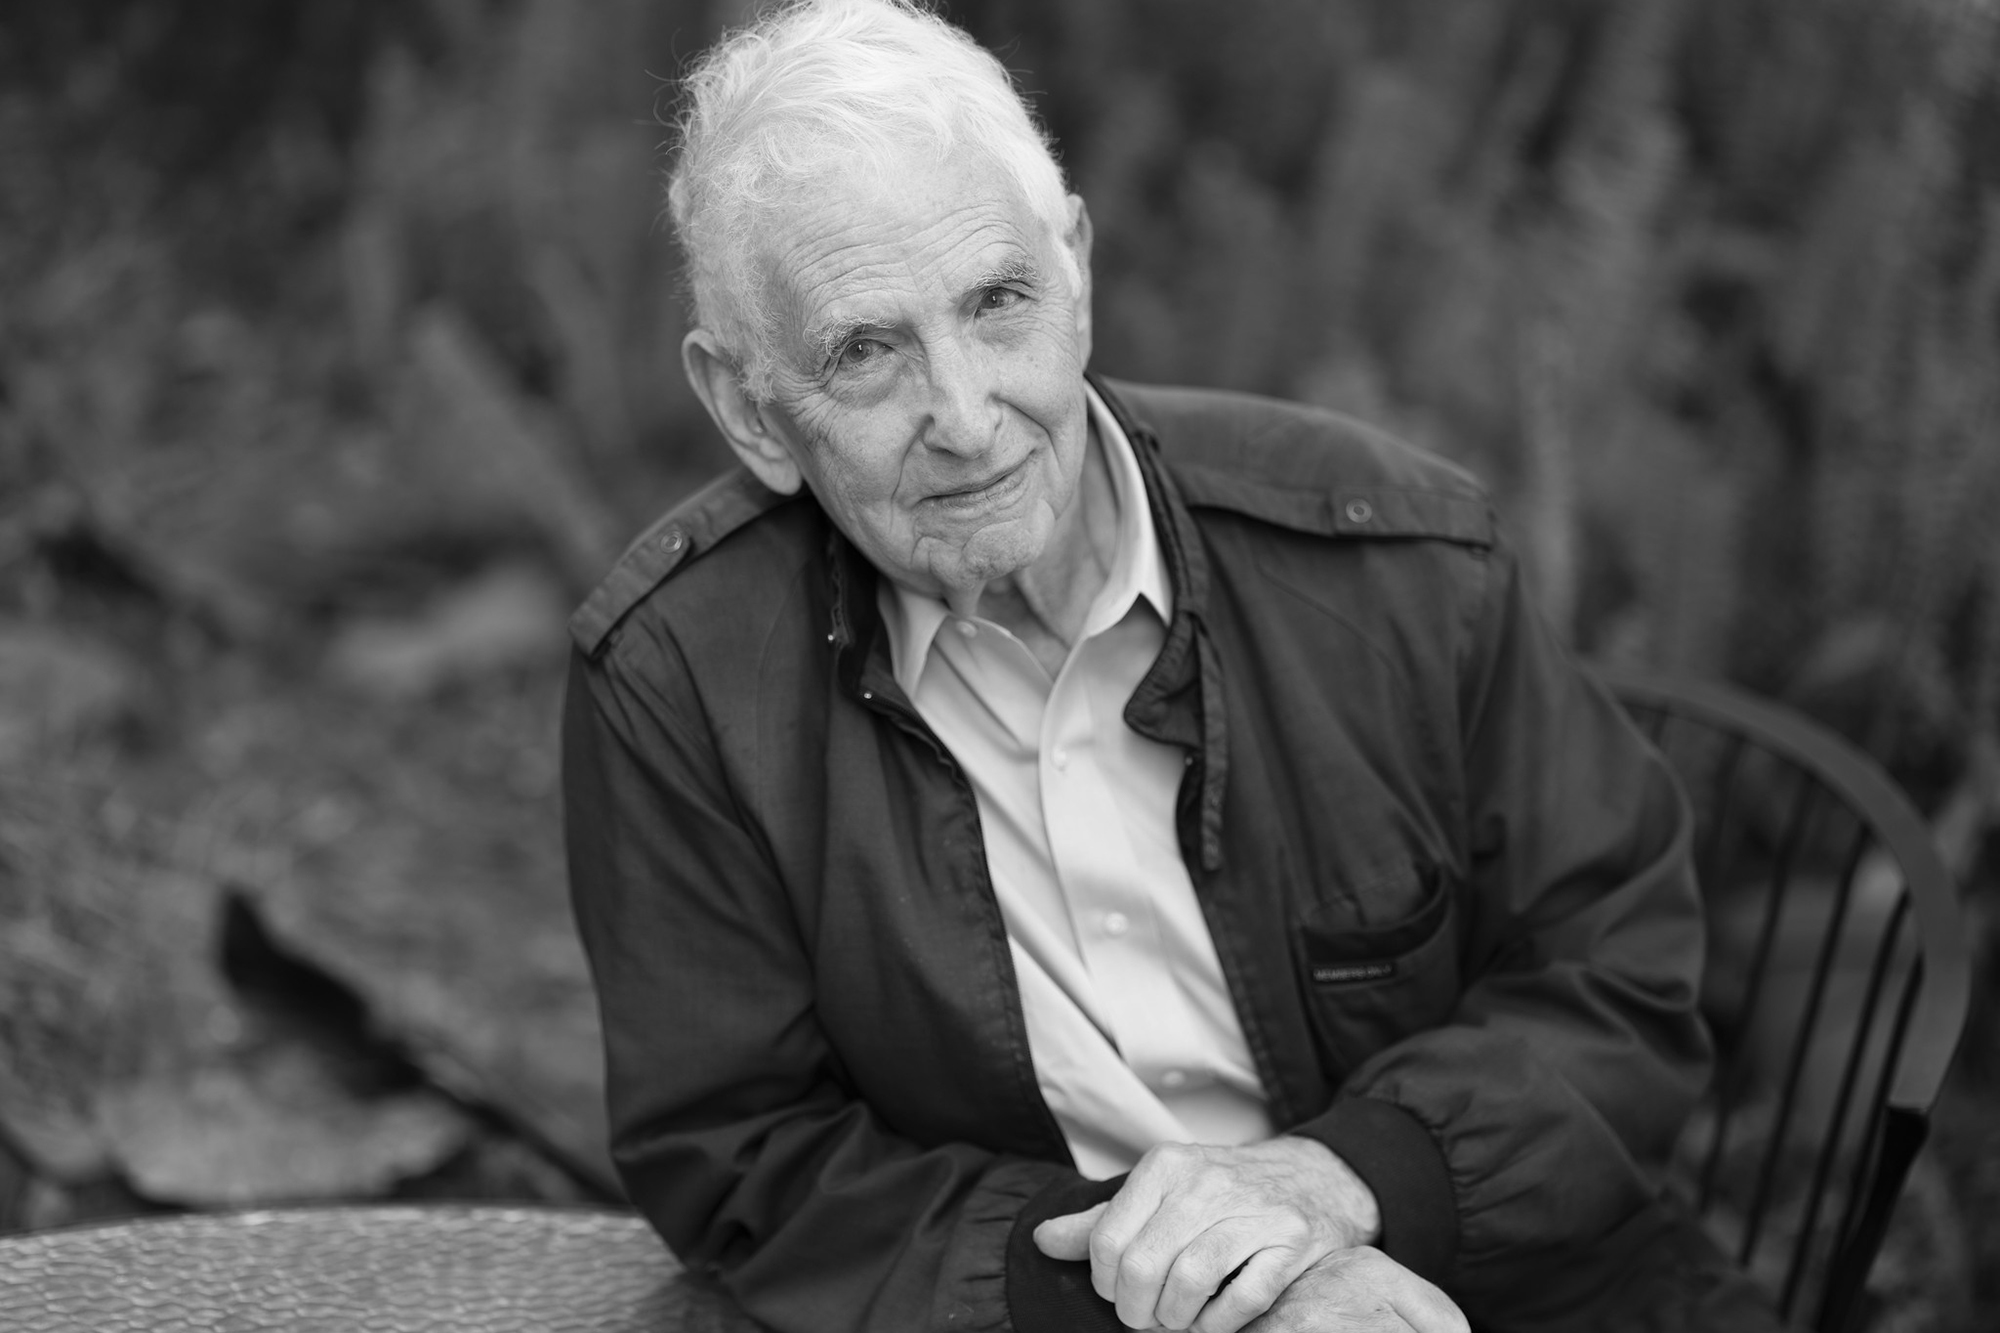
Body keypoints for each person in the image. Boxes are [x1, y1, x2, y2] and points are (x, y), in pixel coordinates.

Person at [562, 3, 1785, 1330]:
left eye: (997, 303)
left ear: (1075, 269)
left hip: (1518, 1285)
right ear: (749, 407)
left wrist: (1339, 1183)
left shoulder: (1387, 550)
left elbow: (1619, 979)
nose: (968, 419)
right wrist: (1209, 1299)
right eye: (867, 352)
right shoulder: (680, 680)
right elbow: (749, 1160)